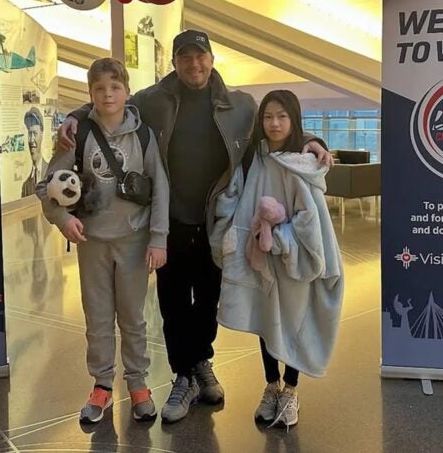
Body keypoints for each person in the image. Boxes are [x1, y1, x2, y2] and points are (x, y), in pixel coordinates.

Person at [59, 30, 333, 424]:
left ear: (212, 58)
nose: (194, 65)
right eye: (185, 58)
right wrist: (75, 114)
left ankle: (202, 363)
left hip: (216, 221)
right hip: (168, 220)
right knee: (171, 304)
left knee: (207, 300)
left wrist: (314, 139)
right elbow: (110, 103)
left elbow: (274, 130)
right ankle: (183, 375)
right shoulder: (153, 99)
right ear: (174, 61)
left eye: (200, 57)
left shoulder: (239, 104)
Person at [38, 58, 169, 424]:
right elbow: (46, 184)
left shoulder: (144, 136)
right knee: (97, 317)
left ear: (127, 91)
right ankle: (102, 385)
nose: (107, 94)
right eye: (99, 88)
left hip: (134, 239)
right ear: (90, 93)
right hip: (92, 242)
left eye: (115, 87)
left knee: (132, 316)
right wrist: (62, 218)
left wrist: (158, 238)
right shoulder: (76, 135)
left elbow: (161, 187)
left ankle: (138, 382)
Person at [210, 90, 344, 429]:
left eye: (282, 116)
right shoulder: (254, 156)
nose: (274, 123)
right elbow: (237, 190)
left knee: (293, 319)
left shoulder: (303, 161)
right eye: (268, 116)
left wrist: (283, 239)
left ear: (294, 120)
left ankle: (291, 389)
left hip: (292, 257)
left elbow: (310, 219)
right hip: (259, 252)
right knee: (266, 318)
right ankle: (271, 386)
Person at [22, 107, 49, 197]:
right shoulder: (25, 187)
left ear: (42, 134)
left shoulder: (53, 173)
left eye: (35, 133)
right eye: (29, 134)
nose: (31, 140)